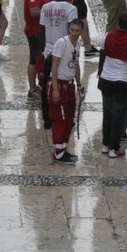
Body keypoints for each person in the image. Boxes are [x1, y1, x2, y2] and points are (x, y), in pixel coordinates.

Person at [97, 10, 127, 157]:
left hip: (106, 79)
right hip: (123, 81)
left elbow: (102, 57)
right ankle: (114, 148)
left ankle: (105, 143)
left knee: (107, 113)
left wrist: (100, 75)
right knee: (118, 115)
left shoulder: (108, 36)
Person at [46, 17, 85, 162]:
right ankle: (58, 152)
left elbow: (76, 65)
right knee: (59, 119)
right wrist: (55, 89)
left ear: (81, 31)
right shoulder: (61, 43)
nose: (74, 33)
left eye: (77, 31)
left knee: (69, 119)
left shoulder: (78, 45)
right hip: (59, 85)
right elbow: (54, 66)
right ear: (69, 29)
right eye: (72, 30)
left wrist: (79, 84)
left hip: (69, 85)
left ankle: (63, 149)